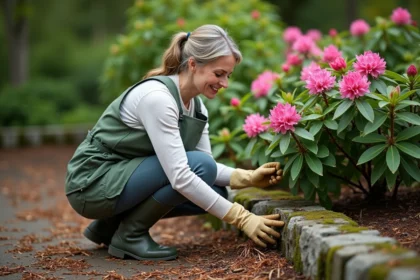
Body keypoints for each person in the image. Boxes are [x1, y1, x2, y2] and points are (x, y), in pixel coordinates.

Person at [65, 24, 284, 261]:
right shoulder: (158, 99)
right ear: (193, 65)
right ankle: (130, 236)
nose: (225, 83)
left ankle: (109, 225)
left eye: (228, 76)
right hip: (91, 183)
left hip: (119, 180)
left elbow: (204, 167)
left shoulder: (197, 107)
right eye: (219, 73)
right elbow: (183, 174)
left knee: (214, 188)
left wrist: (247, 178)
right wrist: (242, 218)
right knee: (200, 174)